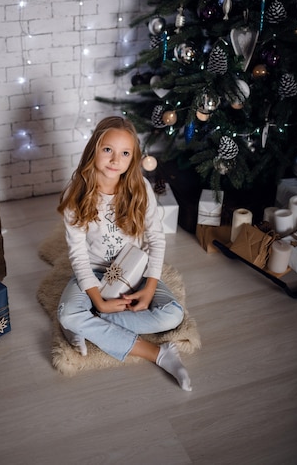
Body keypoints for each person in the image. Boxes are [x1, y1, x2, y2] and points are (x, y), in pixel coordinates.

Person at [57, 116, 192, 391]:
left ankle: (91, 323)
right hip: (94, 272)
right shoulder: (76, 194)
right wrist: (99, 299)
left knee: (173, 315)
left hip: (134, 272)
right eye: (108, 149)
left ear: (133, 159)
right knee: (66, 314)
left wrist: (151, 285)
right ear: (94, 148)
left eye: (125, 153)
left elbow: (155, 238)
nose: (115, 159)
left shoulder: (139, 188)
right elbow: (79, 256)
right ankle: (158, 354)